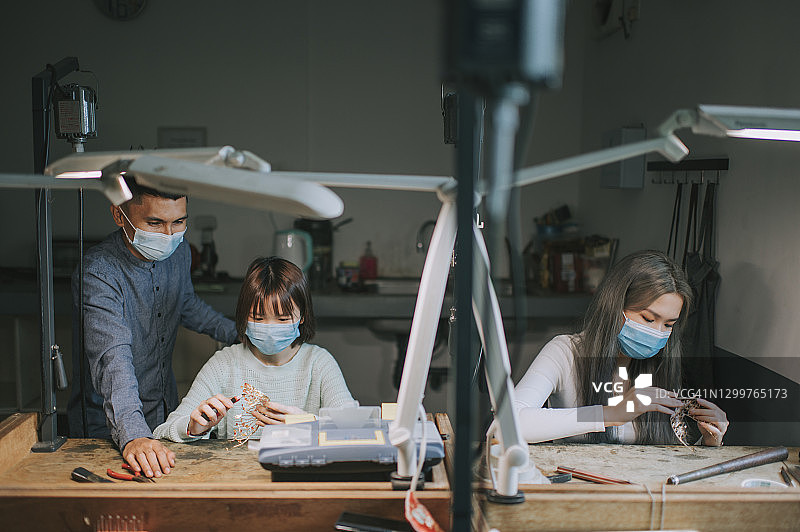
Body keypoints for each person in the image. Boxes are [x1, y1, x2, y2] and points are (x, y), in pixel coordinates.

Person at [67, 177, 238, 478]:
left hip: (163, 409)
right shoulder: (99, 271)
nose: (169, 235)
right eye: (155, 223)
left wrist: (242, 335)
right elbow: (113, 359)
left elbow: (185, 304)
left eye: (179, 222)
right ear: (120, 216)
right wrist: (133, 435)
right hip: (109, 422)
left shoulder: (179, 252)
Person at [513, 250, 728, 445]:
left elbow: (667, 460)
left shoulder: (661, 365)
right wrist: (612, 414)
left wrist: (707, 441)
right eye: (648, 318)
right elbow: (511, 424)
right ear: (615, 306)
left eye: (669, 324)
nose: (658, 332)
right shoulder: (564, 352)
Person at [154, 257, 354, 442]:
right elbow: (163, 432)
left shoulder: (319, 363)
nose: (270, 327)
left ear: (302, 316)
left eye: (283, 319)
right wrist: (193, 427)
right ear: (243, 316)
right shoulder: (224, 364)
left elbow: (353, 429)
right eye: (258, 318)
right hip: (237, 477)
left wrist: (310, 424)